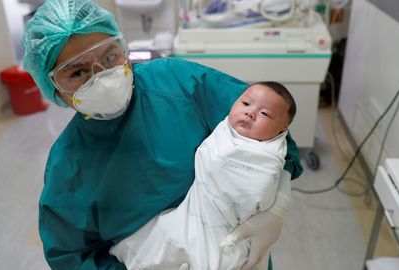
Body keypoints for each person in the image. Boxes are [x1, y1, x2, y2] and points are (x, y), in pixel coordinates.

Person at [22, 1, 303, 269]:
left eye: (110, 56)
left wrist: (278, 205)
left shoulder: (179, 82)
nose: (102, 76)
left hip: (235, 251)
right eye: (78, 72)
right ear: (54, 89)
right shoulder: (68, 166)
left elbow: (273, 124)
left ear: (124, 47)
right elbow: (71, 257)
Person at [109, 82, 296, 270]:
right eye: (246, 104)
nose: (250, 113)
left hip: (230, 230)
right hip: (195, 210)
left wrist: (277, 207)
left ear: (282, 131)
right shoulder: (224, 127)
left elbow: (259, 189)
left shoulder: (268, 157)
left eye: (265, 114)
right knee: (158, 241)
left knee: (218, 258)